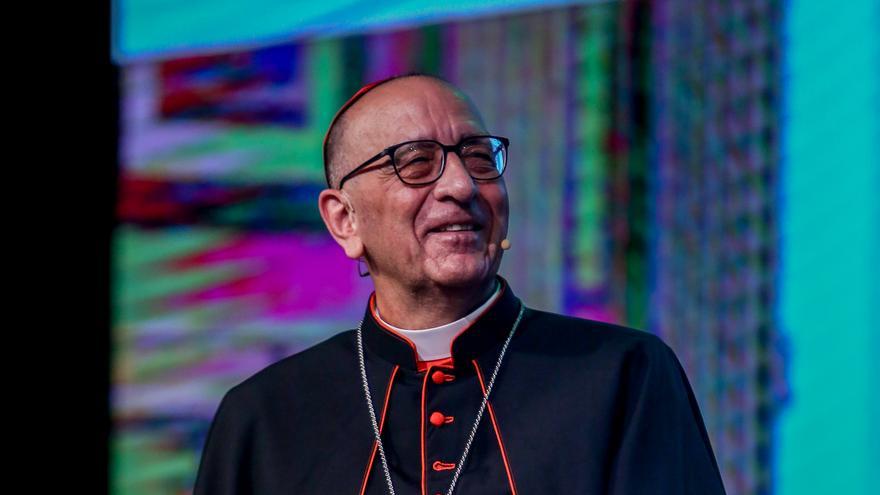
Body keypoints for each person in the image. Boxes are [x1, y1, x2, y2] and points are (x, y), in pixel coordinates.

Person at [192, 73, 727, 495]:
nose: (461, 185)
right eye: (417, 163)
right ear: (344, 221)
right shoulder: (262, 419)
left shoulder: (622, 376)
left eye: (478, 157)